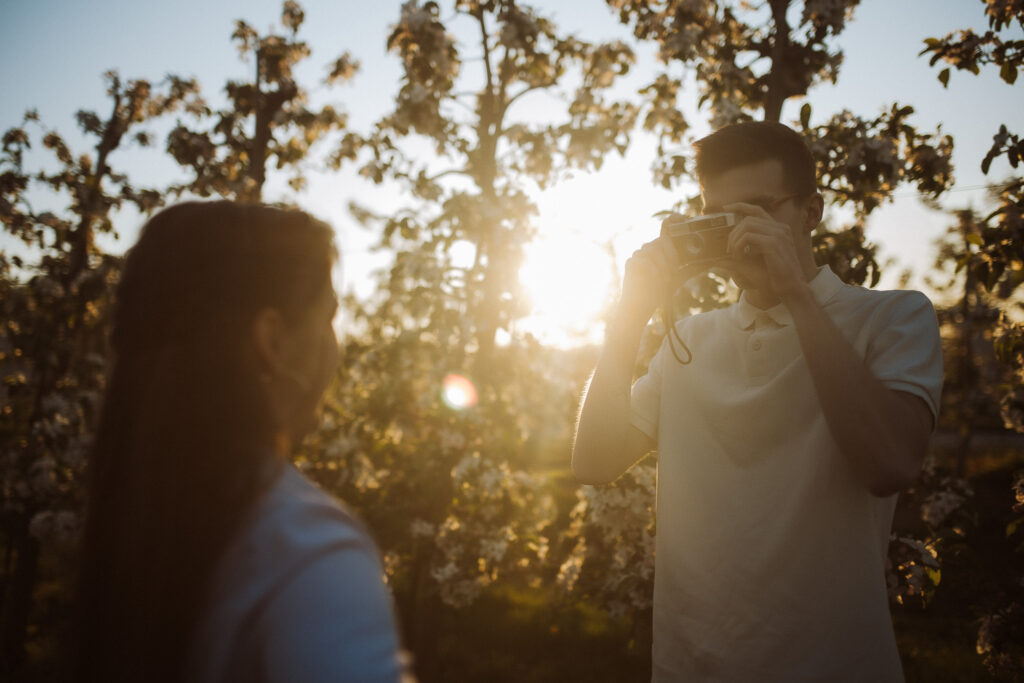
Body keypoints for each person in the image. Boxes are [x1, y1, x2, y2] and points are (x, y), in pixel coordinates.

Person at [572, 121, 942, 682]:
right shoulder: (691, 341)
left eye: (757, 209)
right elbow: (594, 462)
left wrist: (796, 292)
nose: (738, 234)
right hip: (688, 667)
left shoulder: (894, 318)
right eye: (718, 216)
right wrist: (630, 314)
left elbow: (889, 463)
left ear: (812, 211)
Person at [75, 201, 410, 683]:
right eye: (330, 319)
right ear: (271, 341)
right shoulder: (311, 554)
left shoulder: (134, 518)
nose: (337, 350)